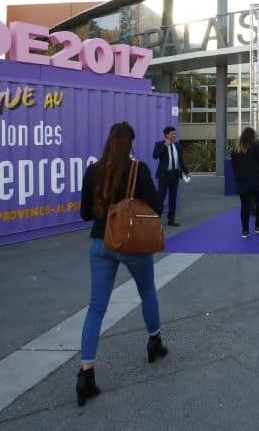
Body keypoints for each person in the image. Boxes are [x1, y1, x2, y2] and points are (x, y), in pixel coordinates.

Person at [77, 122, 167, 407]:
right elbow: (156, 204)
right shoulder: (137, 169)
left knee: (96, 307)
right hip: (130, 245)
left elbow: (84, 214)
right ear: (130, 143)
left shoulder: (93, 170)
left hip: (99, 244)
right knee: (147, 292)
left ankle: (86, 373)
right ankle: (154, 343)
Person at [231, 127, 259, 238]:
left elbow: (234, 166)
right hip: (257, 181)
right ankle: (258, 226)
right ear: (253, 136)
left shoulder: (236, 149)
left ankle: (245, 230)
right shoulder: (256, 147)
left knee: (245, 206)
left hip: (242, 182)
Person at [152, 126, 189, 227]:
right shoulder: (159, 144)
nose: (174, 135)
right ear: (166, 135)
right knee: (161, 197)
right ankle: (157, 219)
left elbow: (180, 160)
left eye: (174, 133)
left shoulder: (177, 145)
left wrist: (186, 172)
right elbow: (155, 156)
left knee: (173, 197)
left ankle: (171, 219)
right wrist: (165, 145)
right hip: (164, 175)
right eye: (172, 133)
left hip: (175, 174)